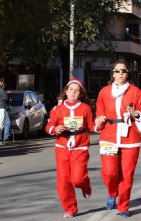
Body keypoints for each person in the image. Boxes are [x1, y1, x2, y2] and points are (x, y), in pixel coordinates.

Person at [95, 58, 141, 218]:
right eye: (117, 71)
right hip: (109, 135)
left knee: (127, 174)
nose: (120, 73)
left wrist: (136, 114)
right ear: (113, 73)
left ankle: (123, 206)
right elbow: (99, 110)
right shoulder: (104, 92)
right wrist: (99, 118)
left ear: (128, 74)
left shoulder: (136, 92)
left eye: (123, 70)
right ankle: (112, 193)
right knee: (109, 172)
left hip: (130, 137)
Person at [45, 77, 99, 218]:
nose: (73, 93)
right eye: (71, 90)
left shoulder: (85, 108)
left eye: (77, 91)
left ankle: (85, 185)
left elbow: (92, 126)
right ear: (66, 92)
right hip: (62, 147)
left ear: (81, 94)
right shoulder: (57, 109)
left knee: (77, 179)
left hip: (80, 147)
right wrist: (55, 129)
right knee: (63, 180)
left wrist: (99, 123)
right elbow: (49, 125)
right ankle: (70, 208)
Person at [0, 77, 8, 145]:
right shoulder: (1, 90)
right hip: (1, 108)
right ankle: (0, 139)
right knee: (1, 124)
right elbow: (6, 98)